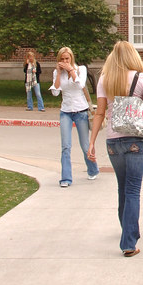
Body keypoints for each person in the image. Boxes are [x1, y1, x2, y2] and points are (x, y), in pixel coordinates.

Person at [88, 40, 143, 257]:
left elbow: (100, 112)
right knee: (133, 189)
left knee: (123, 187)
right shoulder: (142, 78)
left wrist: (91, 142)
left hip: (113, 140)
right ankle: (128, 242)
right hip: (136, 139)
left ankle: (128, 229)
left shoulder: (105, 79)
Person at [49, 46, 99, 187]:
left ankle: (93, 169)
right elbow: (55, 93)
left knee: (85, 145)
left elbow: (80, 84)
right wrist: (59, 73)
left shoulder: (80, 69)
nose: (64, 61)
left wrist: (71, 70)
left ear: (71, 58)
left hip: (81, 111)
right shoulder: (57, 72)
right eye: (62, 59)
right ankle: (66, 178)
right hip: (65, 111)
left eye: (67, 58)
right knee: (66, 146)